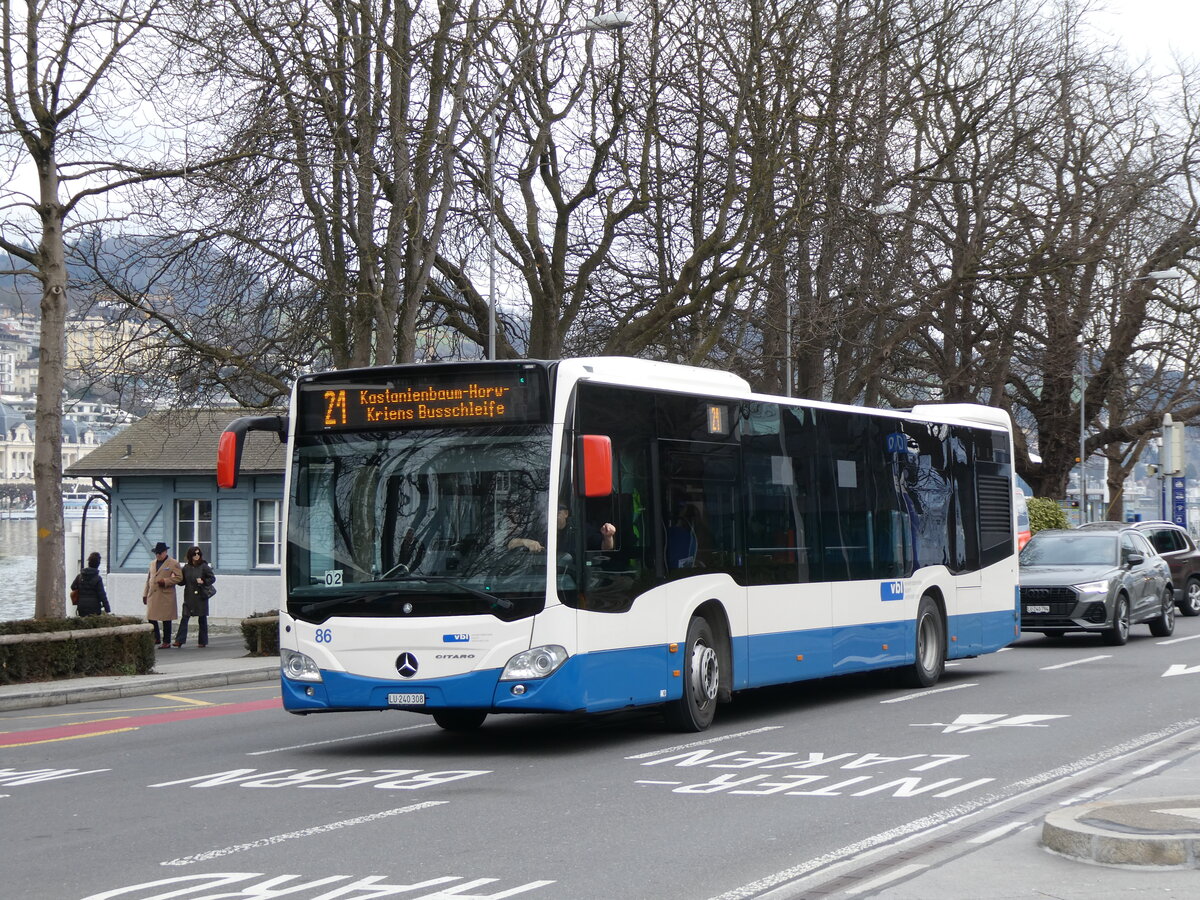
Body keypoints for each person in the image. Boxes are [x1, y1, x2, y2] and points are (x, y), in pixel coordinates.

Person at [143, 541, 183, 649]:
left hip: (166, 595)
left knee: (166, 619)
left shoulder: (173, 563)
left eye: (160, 553)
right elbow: (148, 579)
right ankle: (156, 637)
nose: (158, 555)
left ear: (165, 552)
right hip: (153, 594)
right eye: (156, 553)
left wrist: (166, 581)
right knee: (151, 616)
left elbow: (179, 577)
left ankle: (166, 641)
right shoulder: (152, 563)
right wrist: (145, 594)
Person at [175, 545, 215, 648]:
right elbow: (183, 582)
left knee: (202, 618)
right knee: (185, 617)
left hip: (201, 596)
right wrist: (176, 579)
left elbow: (212, 578)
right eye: (195, 554)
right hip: (189, 596)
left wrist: (203, 581)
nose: (197, 556)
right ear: (190, 555)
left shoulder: (204, 566)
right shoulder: (186, 568)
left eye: (198, 554)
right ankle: (179, 640)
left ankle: (203, 641)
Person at [71, 551, 110, 617]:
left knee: (83, 624)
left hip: (82, 606)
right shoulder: (98, 578)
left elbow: (72, 587)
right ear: (98, 564)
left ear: (89, 563)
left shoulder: (80, 576)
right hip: (94, 607)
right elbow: (102, 595)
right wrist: (107, 609)